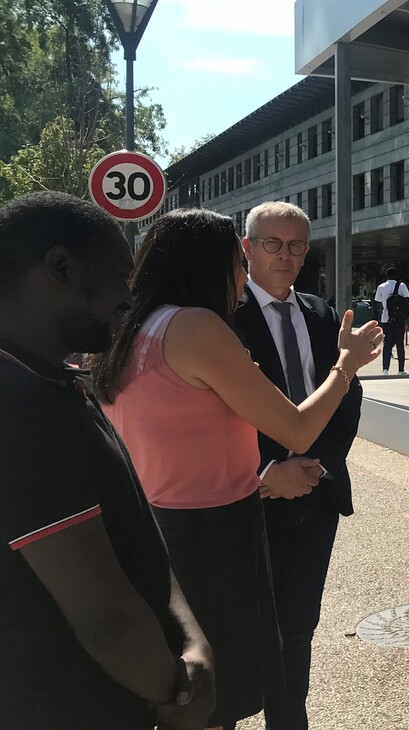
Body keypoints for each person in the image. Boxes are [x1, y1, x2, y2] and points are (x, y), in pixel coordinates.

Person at [90, 208, 382, 729]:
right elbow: (294, 427)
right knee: (216, 689)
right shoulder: (198, 326)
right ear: (211, 263)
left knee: (192, 681)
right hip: (214, 533)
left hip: (159, 524)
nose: (244, 276)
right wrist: (346, 366)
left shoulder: (131, 329)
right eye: (239, 262)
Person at [0, 192, 215, 729]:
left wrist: (190, 638)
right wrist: (180, 698)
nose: (129, 296)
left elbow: (138, 540)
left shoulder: (54, 384)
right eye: (121, 275)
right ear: (60, 268)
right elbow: (106, 620)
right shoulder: (17, 404)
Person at [235, 202, 364, 730]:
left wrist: (313, 466)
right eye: (272, 244)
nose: (285, 256)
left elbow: (346, 398)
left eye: (296, 246)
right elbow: (222, 410)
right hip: (251, 500)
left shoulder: (322, 313)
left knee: (298, 628)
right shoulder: (222, 316)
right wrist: (267, 472)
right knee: (239, 629)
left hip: (316, 497)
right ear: (247, 248)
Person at [374, 266, 409, 375]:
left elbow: (378, 303)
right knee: (400, 343)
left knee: (387, 343)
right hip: (399, 319)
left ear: (386, 276)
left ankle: (385, 369)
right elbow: (407, 301)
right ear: (396, 275)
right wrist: (404, 315)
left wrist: (383, 314)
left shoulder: (381, 287)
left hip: (386, 319)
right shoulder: (402, 286)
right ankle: (401, 369)